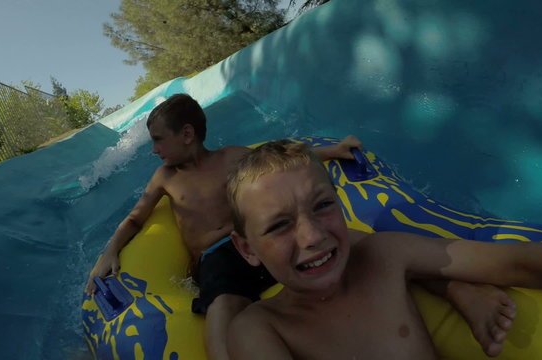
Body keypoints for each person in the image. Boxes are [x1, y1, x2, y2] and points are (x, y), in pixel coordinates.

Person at [227, 140, 542, 360]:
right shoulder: (259, 329)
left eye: (323, 206)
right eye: (279, 225)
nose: (311, 236)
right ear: (247, 249)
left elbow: (515, 263)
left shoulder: (384, 257)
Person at [84, 93, 364, 359]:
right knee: (223, 305)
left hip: (256, 243)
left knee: (345, 242)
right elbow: (135, 218)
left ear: (186, 134)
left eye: (158, 140)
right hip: (217, 258)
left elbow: (286, 165)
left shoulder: (232, 158)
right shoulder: (165, 178)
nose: (154, 150)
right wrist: (111, 251)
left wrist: (335, 150)